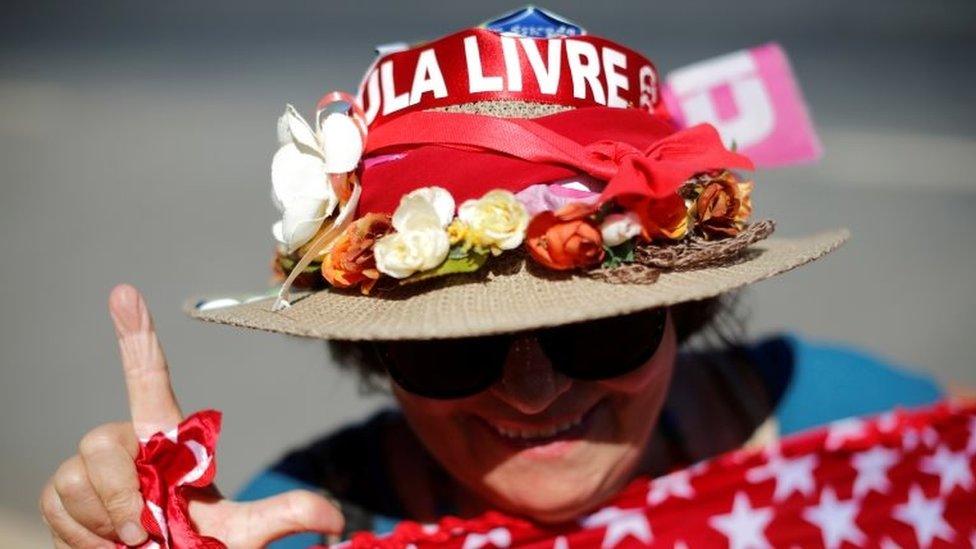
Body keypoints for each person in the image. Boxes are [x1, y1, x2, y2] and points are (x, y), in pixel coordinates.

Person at [37, 9, 950, 548]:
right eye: (456, 347)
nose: (535, 386)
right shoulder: (302, 522)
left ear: (681, 306)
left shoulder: (868, 430)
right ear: (377, 348)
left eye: (598, 328)